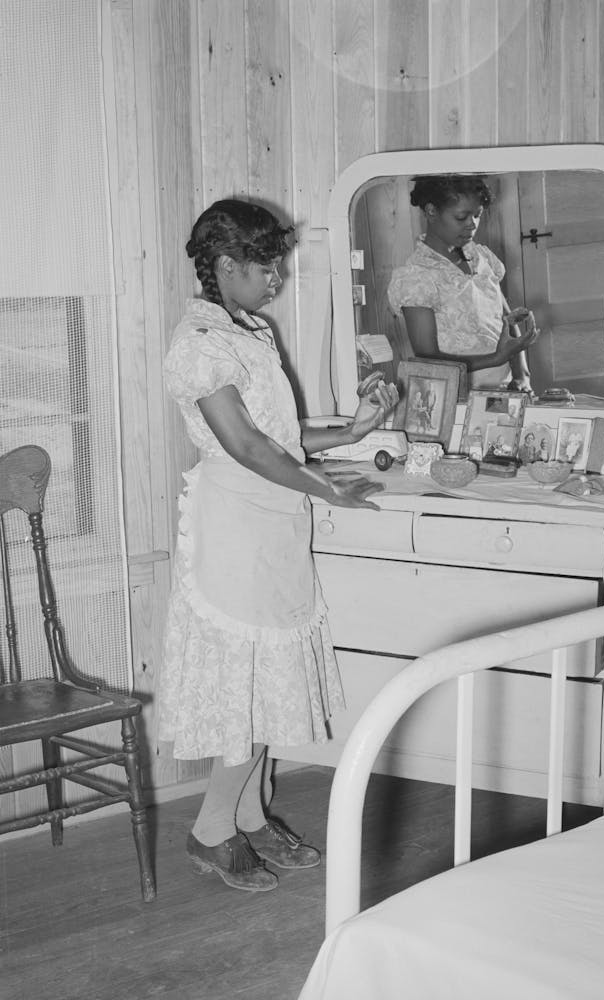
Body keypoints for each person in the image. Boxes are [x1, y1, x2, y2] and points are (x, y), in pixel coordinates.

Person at [158, 198, 398, 892]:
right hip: (234, 527)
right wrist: (328, 490)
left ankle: (253, 816)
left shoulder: (250, 331)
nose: (277, 279)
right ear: (226, 266)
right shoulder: (199, 345)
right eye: (267, 267)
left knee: (267, 686)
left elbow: (281, 437)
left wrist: (349, 434)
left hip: (274, 521)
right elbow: (247, 445)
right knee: (245, 688)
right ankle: (210, 832)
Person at [387, 174, 539, 393]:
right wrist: (495, 358)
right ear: (431, 211)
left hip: (505, 388)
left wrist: (522, 375)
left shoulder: (482, 258)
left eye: (477, 216)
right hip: (454, 394)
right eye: (461, 217)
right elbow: (429, 359)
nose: (472, 225)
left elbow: (507, 322)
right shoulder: (416, 277)